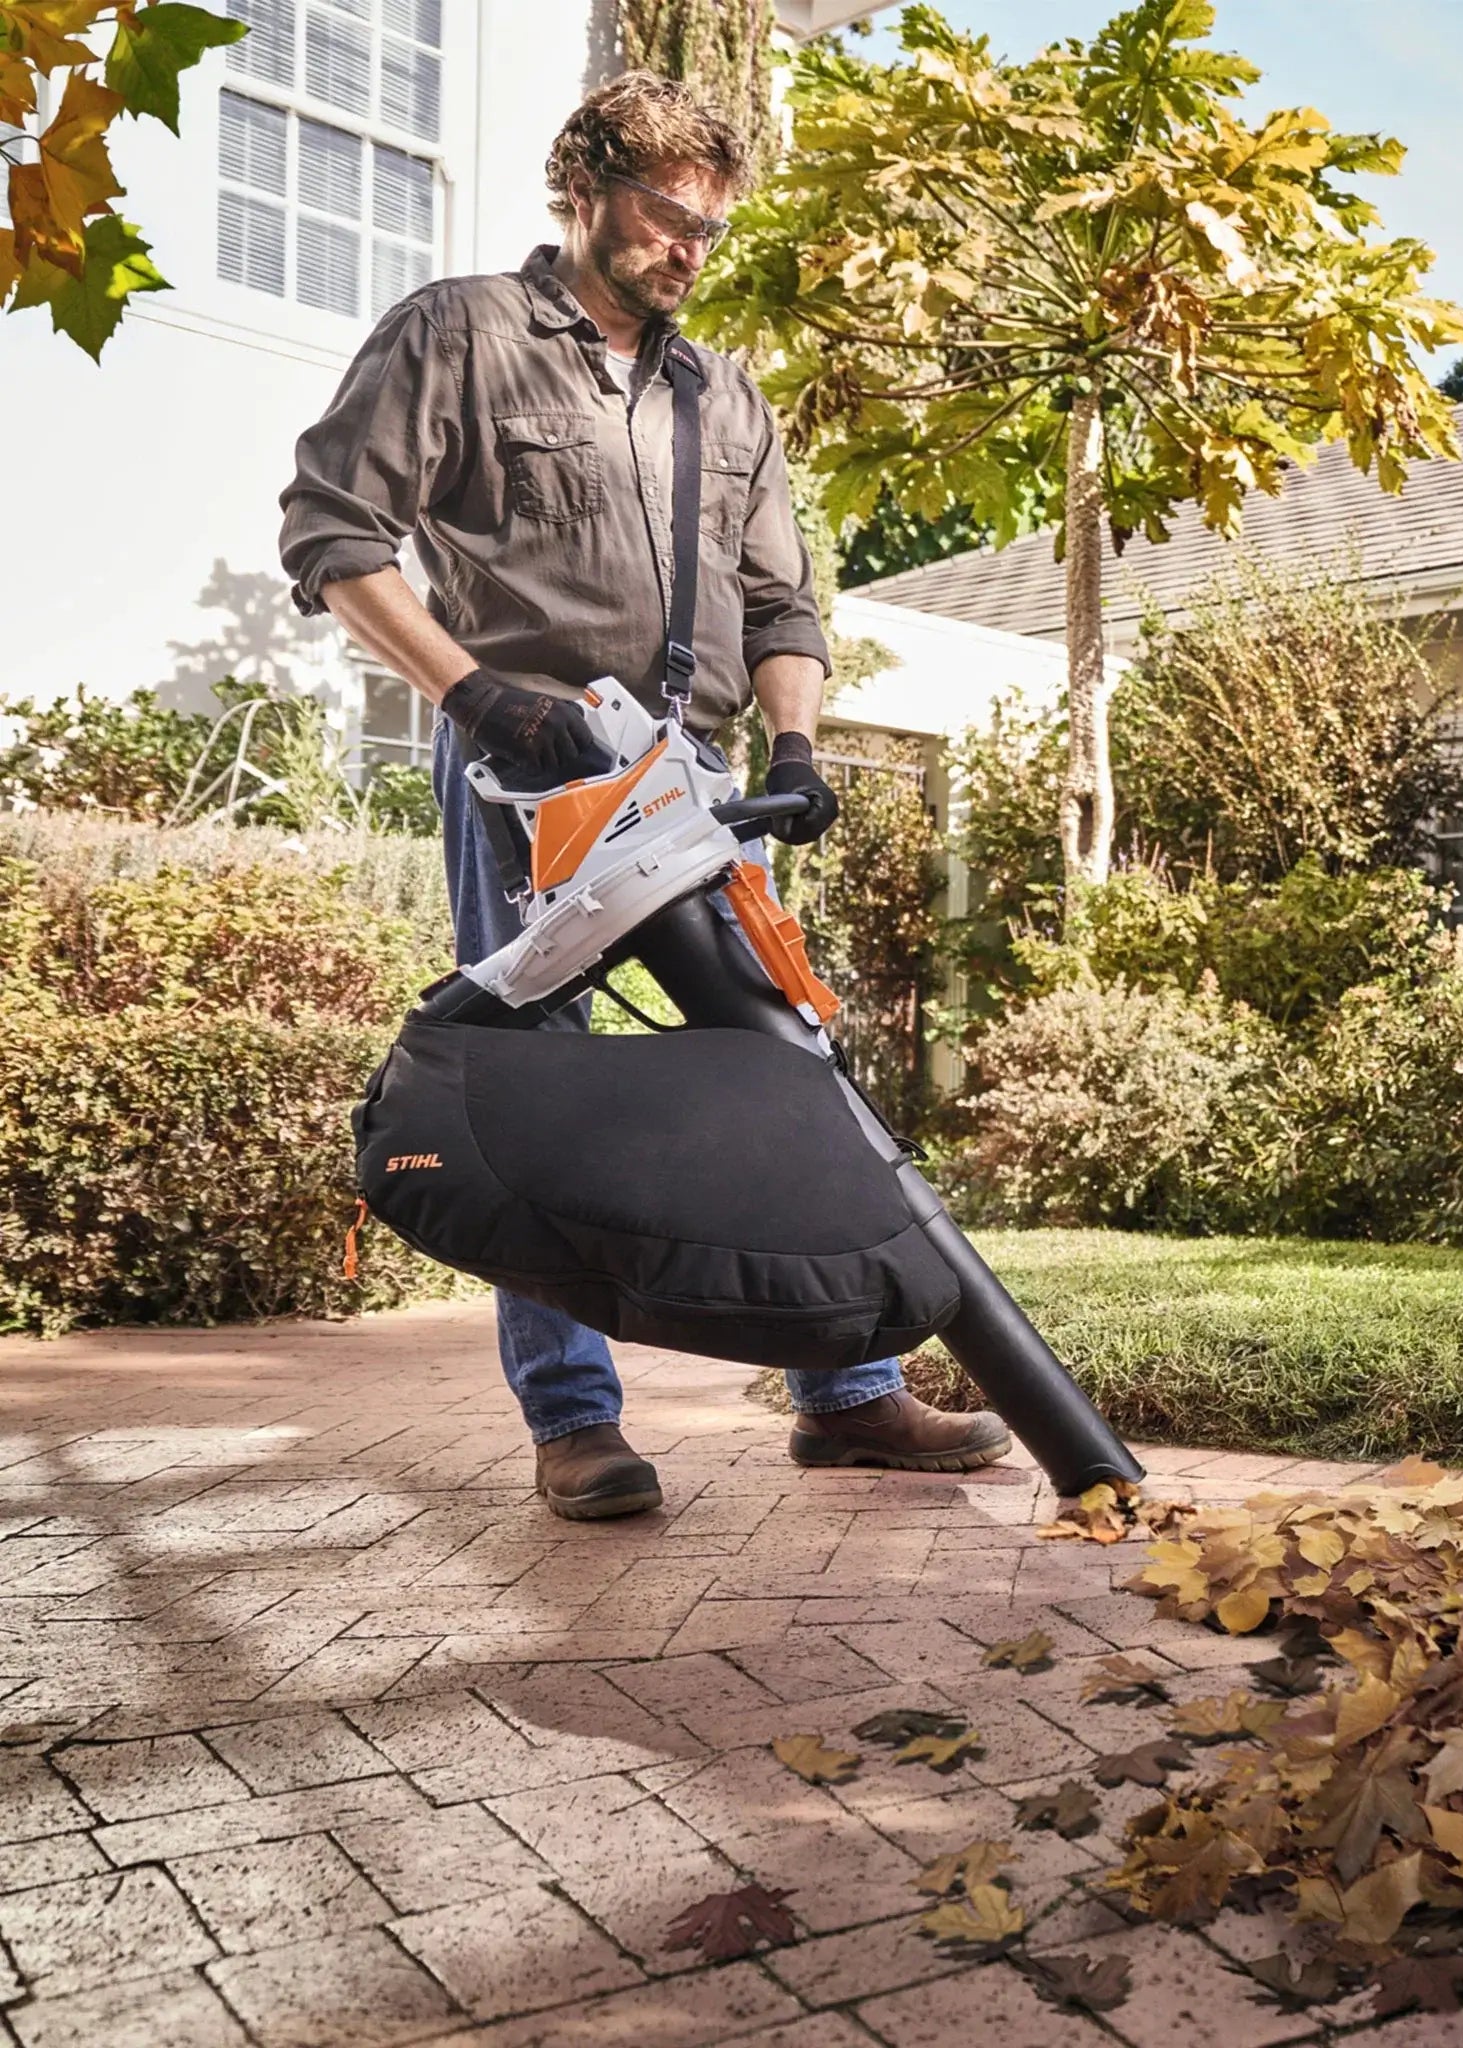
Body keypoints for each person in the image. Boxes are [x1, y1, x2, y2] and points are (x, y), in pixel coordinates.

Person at [279, 71, 1010, 1519]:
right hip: (527, 768)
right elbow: (332, 532)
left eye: (709, 232)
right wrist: (472, 691)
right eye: (668, 217)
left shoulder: (720, 390)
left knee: (783, 1065)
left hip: (703, 779)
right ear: (588, 186)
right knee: (540, 1076)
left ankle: (847, 1394)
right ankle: (573, 1422)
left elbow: (784, 603)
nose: (687, 249)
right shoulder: (463, 334)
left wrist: (795, 751)